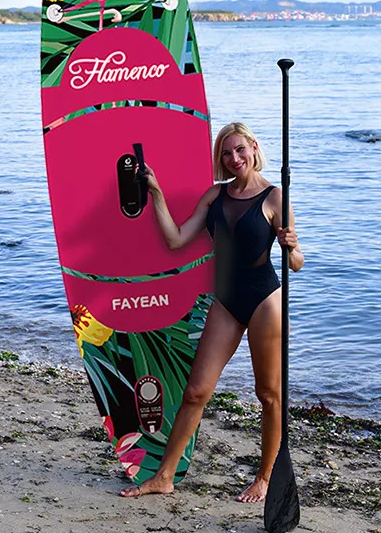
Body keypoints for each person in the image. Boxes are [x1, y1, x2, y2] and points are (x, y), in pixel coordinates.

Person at [120, 122, 303, 502]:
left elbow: (297, 263)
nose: (234, 158)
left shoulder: (274, 197)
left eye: (239, 149)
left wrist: (291, 244)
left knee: (268, 394)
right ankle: (164, 476)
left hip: (264, 300)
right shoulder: (215, 196)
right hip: (225, 299)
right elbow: (175, 240)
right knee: (196, 391)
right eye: (226, 152)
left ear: (253, 148)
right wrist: (156, 194)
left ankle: (265, 478)